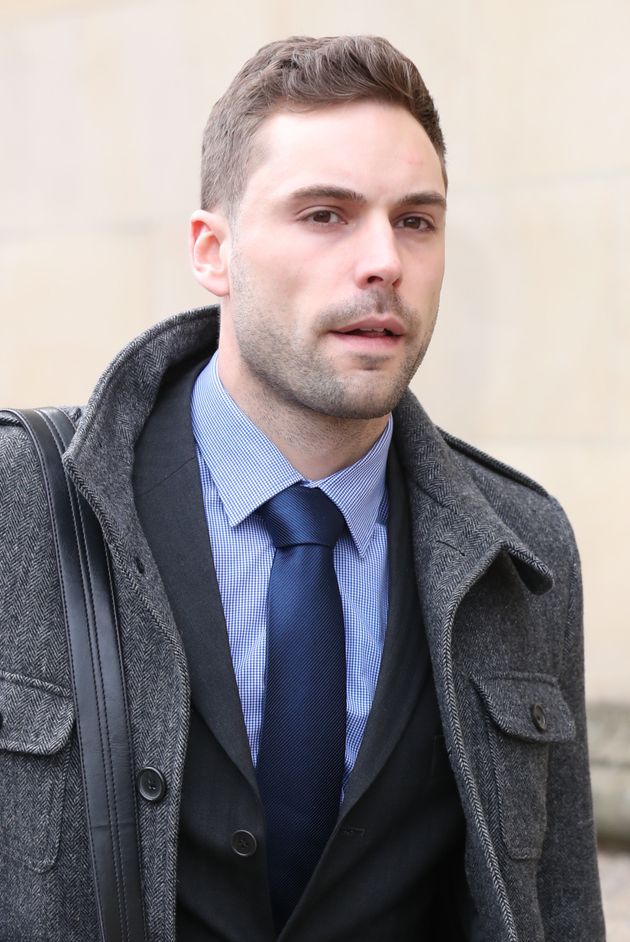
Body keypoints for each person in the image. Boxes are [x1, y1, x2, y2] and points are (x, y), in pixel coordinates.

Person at [0, 35, 605, 942]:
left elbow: (556, 910)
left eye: (416, 220)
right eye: (325, 214)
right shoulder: (18, 503)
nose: (383, 262)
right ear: (214, 250)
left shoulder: (523, 550)